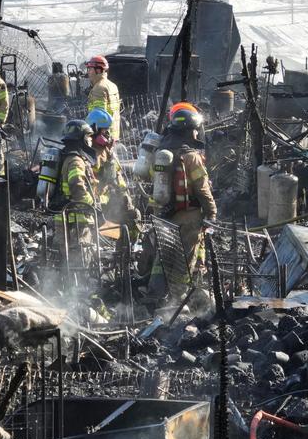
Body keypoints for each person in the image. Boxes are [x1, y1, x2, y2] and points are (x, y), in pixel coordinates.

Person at [147, 106, 216, 297]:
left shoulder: (159, 154)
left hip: (162, 214)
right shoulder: (191, 156)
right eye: (195, 129)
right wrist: (212, 213)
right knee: (185, 258)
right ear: (190, 131)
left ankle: (155, 293)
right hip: (188, 216)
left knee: (163, 255)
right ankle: (178, 299)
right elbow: (203, 189)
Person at [86, 108, 139, 238]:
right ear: (95, 130)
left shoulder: (104, 149)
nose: (108, 134)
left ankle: (127, 246)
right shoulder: (94, 152)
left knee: (130, 216)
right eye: (105, 130)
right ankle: (120, 244)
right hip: (101, 197)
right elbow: (108, 176)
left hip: (113, 193)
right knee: (125, 220)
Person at [53, 119, 98, 267]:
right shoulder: (76, 160)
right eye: (89, 136)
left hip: (63, 215)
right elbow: (76, 183)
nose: (91, 140)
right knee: (80, 259)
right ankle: (81, 288)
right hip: (77, 218)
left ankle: (66, 285)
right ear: (82, 138)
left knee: (65, 258)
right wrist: (90, 202)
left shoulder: (66, 156)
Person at [84, 54, 121, 140]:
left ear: (98, 70)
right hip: (113, 135)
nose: (88, 72)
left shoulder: (99, 88)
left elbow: (100, 116)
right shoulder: (112, 85)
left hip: (101, 137)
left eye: (90, 69)